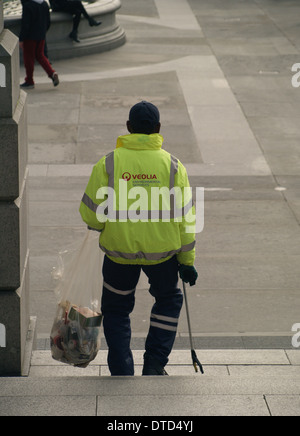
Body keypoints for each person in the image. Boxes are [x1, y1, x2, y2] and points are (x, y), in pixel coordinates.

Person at [79, 101, 198, 376]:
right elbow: (186, 219)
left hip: (119, 256)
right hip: (163, 257)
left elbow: (92, 216)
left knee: (117, 309)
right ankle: (155, 363)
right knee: (168, 301)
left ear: (128, 128)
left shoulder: (108, 163)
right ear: (157, 128)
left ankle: (121, 369)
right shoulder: (173, 167)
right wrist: (187, 261)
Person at [19, 0, 59, 89]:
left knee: (29, 58)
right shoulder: (44, 4)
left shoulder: (28, 5)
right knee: (40, 55)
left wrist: (21, 38)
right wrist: (43, 32)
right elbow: (48, 22)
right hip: (41, 35)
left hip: (30, 37)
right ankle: (52, 73)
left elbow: (25, 24)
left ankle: (29, 81)